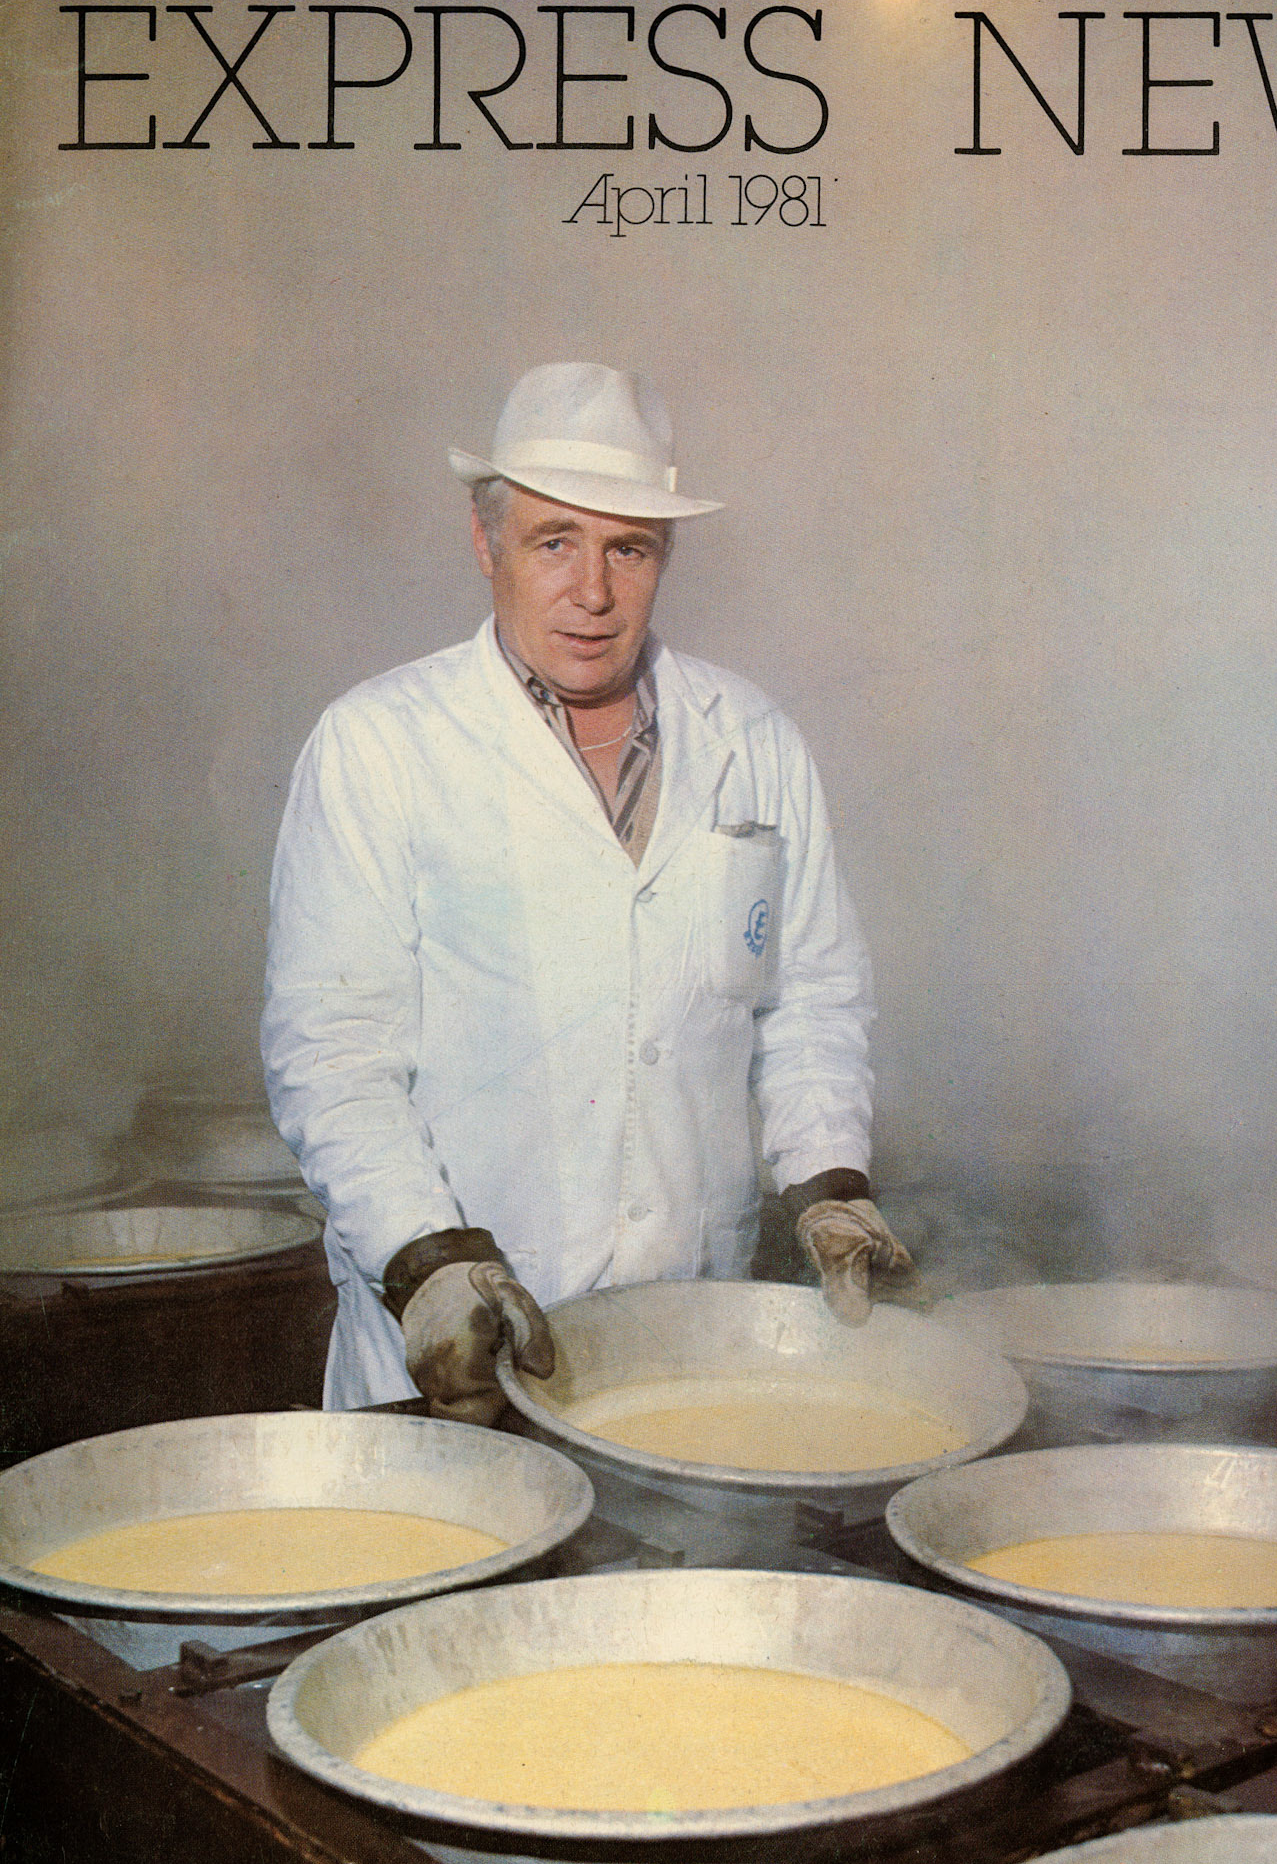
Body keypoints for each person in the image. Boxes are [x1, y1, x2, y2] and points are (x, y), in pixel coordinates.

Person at [262, 361, 912, 1423]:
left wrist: (829, 1180)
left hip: (687, 1342)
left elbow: (812, 1000)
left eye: (628, 548)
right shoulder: (379, 746)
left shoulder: (752, 740)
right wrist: (424, 1258)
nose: (592, 591)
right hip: (452, 1363)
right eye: (552, 540)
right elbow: (333, 1051)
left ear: (665, 558)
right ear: (484, 543)